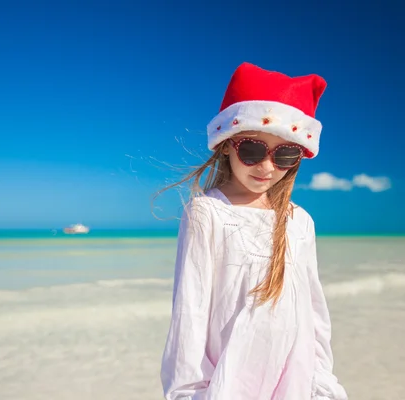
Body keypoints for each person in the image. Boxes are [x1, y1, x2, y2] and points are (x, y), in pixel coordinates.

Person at [159, 62, 348, 400]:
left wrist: (323, 384)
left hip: (297, 388)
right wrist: (188, 393)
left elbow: (314, 314)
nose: (266, 167)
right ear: (228, 145)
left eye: (285, 154)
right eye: (252, 149)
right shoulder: (208, 213)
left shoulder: (299, 220)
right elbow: (190, 314)